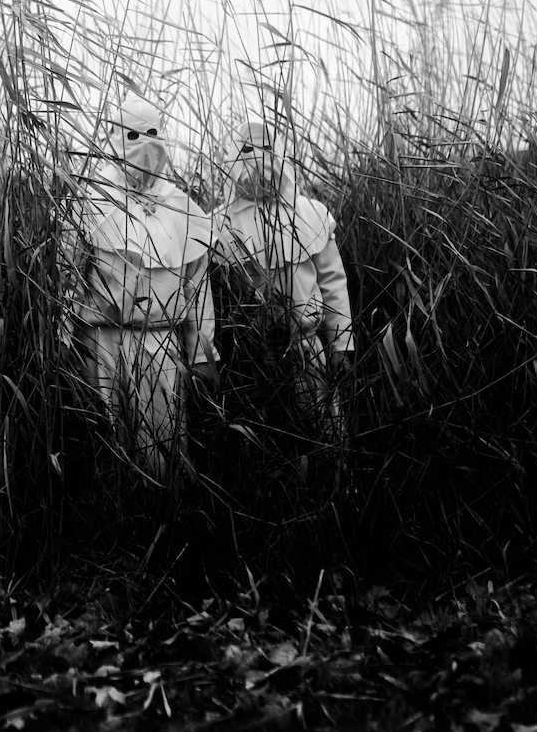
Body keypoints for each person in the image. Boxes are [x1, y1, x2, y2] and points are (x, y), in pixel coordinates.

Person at [73, 98, 217, 481]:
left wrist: (201, 350)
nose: (144, 144)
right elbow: (66, 281)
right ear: (113, 138)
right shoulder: (88, 200)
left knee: (164, 451)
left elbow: (196, 287)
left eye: (153, 133)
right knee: (107, 450)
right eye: (133, 135)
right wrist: (59, 342)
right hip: (103, 343)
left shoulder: (184, 209)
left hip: (162, 345)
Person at [213, 119, 353, 452]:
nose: (258, 158)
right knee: (262, 440)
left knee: (322, 432)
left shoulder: (309, 214)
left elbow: (333, 281)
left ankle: (334, 493)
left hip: (307, 348)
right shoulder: (221, 222)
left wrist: (341, 343)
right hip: (251, 357)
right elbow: (214, 298)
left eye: (265, 148)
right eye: (248, 149)